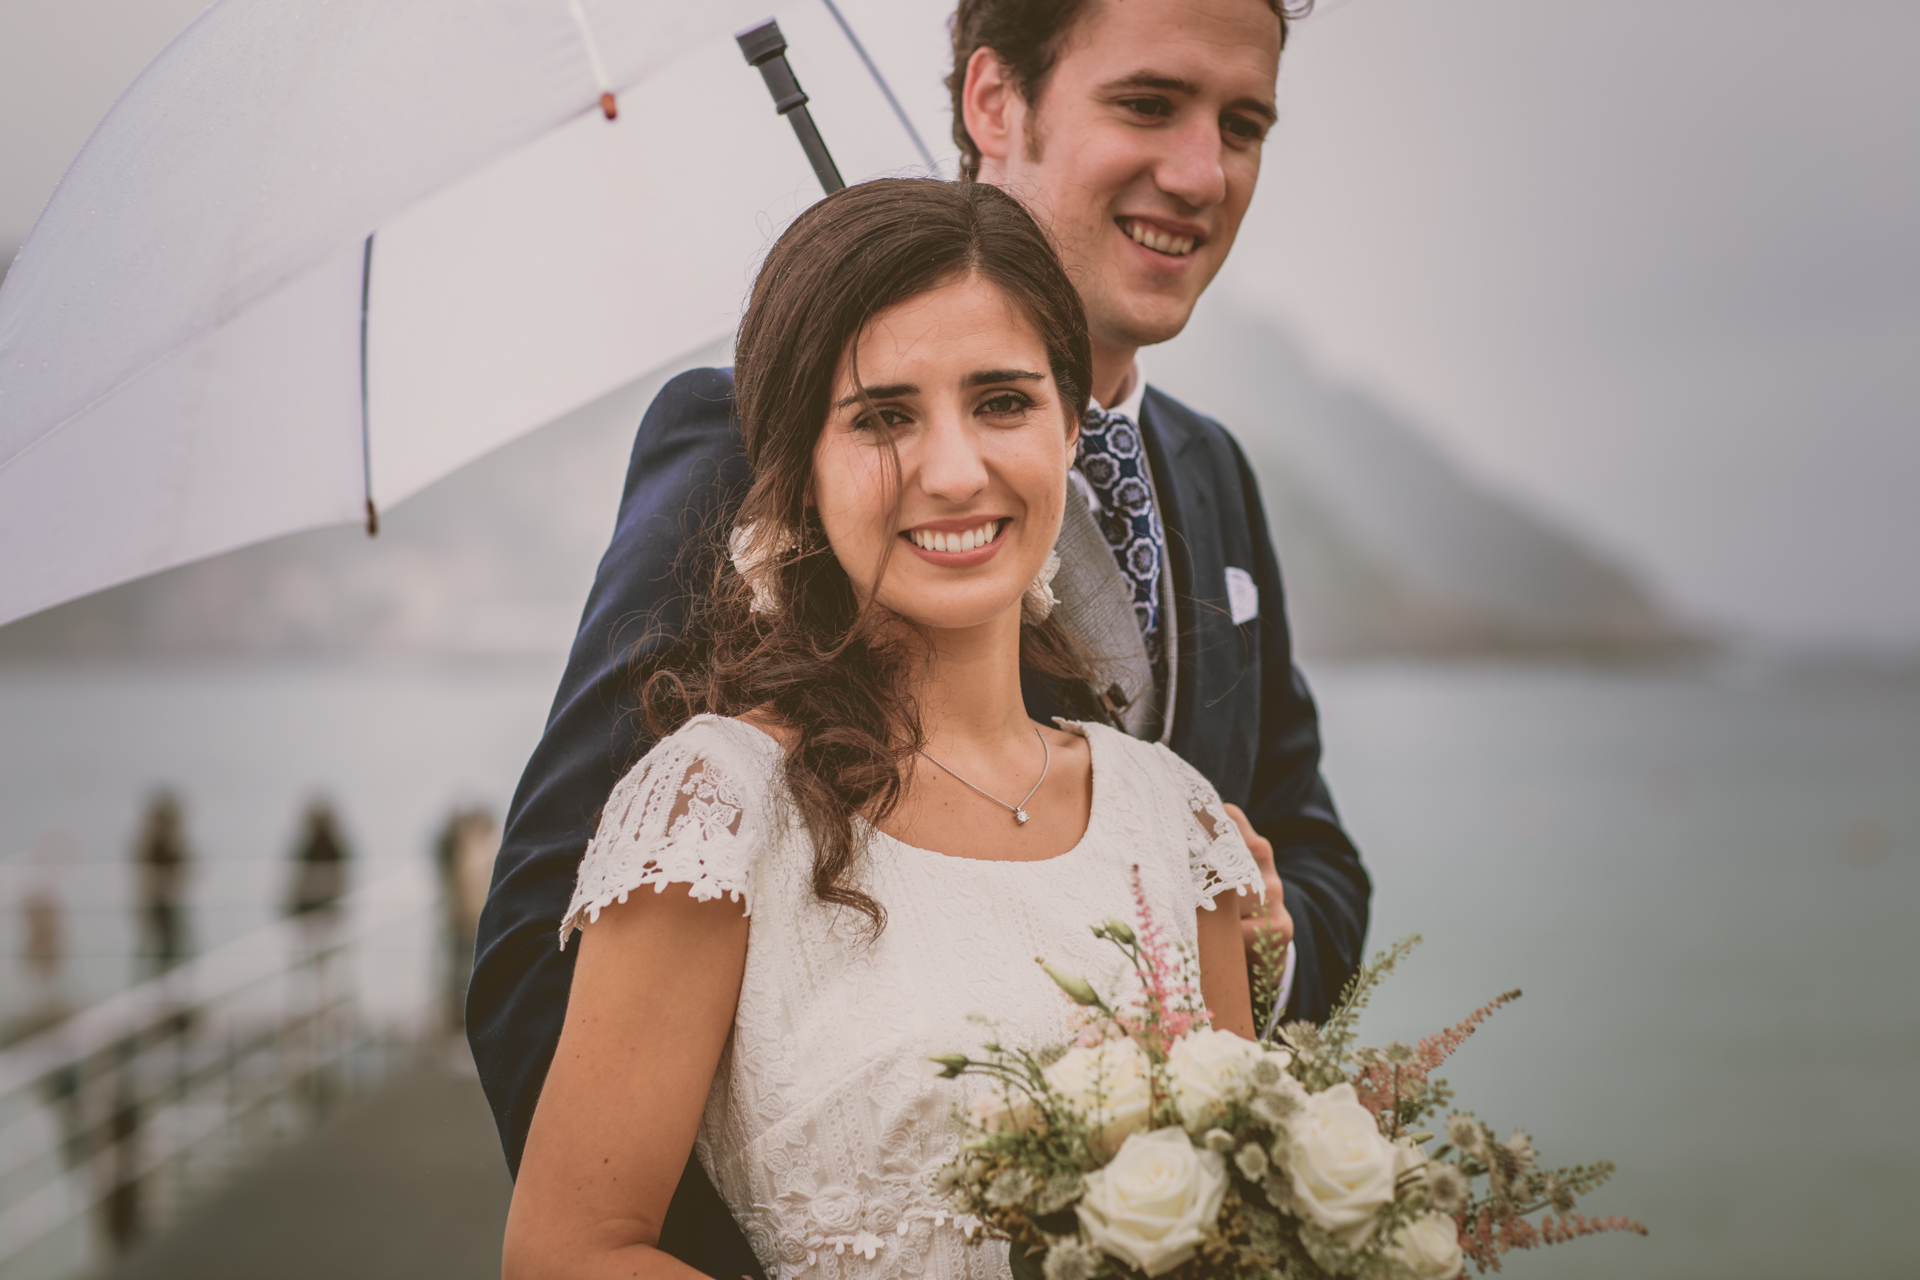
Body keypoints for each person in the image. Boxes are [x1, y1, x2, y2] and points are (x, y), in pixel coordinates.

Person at [473, 0, 1370, 1271]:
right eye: (1148, 103)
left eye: (1244, 124)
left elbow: (1312, 841)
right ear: (994, 102)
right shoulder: (747, 435)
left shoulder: (1213, 473)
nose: (1200, 172)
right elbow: (538, 962)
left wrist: (1240, 942)